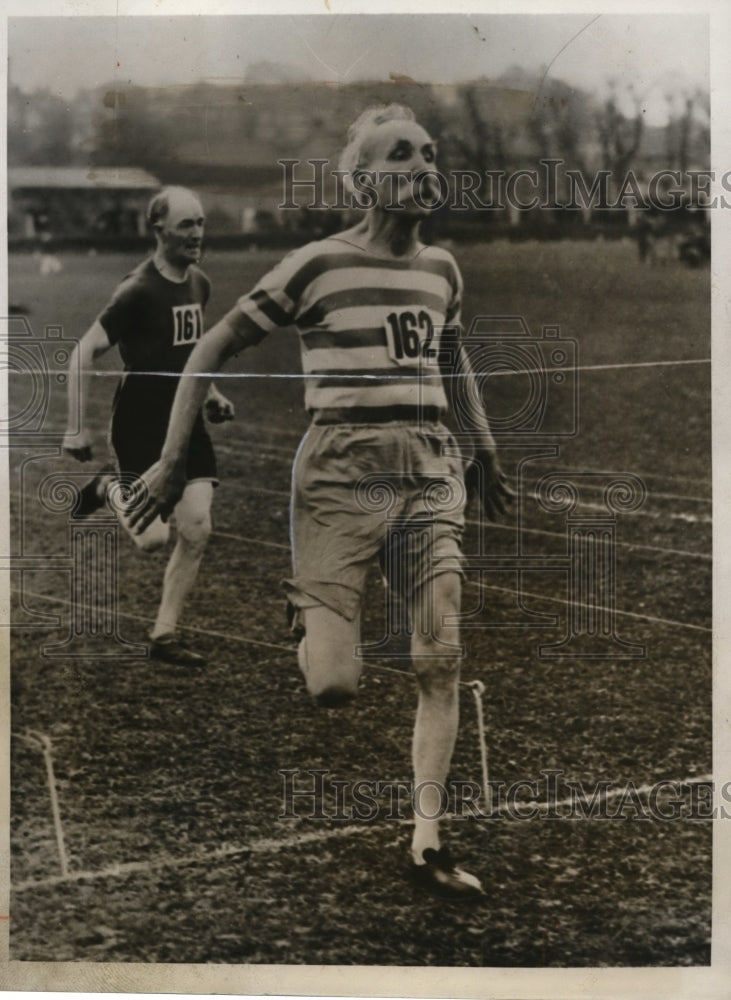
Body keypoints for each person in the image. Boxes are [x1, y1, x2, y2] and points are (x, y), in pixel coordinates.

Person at [127, 108, 513, 897]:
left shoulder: (442, 268)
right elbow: (209, 348)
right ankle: (310, 614)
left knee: (439, 657)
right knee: (333, 686)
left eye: (429, 154)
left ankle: (427, 840)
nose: (422, 166)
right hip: (337, 474)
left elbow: (452, 356)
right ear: (362, 179)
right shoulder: (314, 267)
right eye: (400, 155)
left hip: (428, 470)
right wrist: (171, 458)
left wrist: (483, 448)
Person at [62, 186, 234, 666]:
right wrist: (76, 427)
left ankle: (164, 636)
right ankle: (106, 488)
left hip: (187, 416)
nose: (197, 233)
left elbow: (193, 353)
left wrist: (214, 396)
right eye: (186, 225)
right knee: (152, 539)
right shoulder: (136, 290)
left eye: (200, 223)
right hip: (140, 421)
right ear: (158, 229)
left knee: (197, 528)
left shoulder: (199, 283)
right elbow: (82, 353)